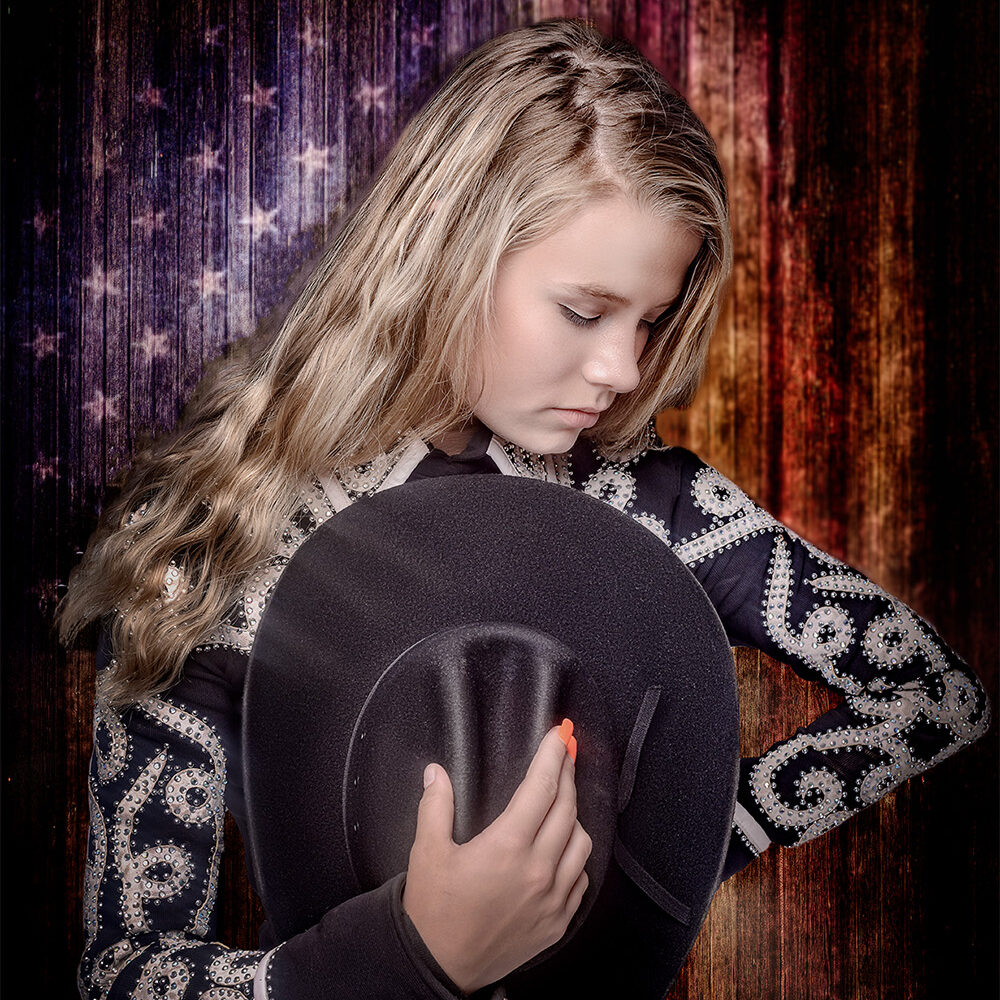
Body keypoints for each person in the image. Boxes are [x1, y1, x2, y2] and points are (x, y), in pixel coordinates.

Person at [59, 17, 990, 1000]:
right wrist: (399, 957)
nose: (623, 368)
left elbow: (930, 697)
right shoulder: (216, 543)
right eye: (584, 311)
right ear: (445, 254)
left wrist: (683, 839)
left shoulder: (647, 498)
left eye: (651, 317)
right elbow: (122, 973)